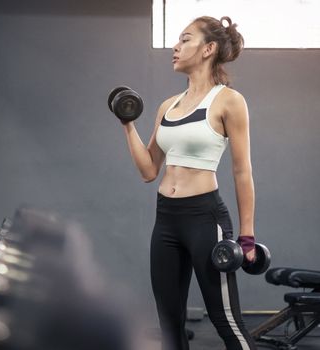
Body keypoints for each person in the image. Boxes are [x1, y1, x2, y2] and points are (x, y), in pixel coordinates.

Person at [122, 16, 257, 349]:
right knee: (169, 324)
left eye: (185, 39)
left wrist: (247, 235)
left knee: (226, 321)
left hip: (204, 218)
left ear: (208, 49)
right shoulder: (168, 106)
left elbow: (242, 171)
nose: (175, 47)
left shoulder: (229, 101)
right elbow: (148, 170)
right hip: (166, 220)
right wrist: (127, 124)